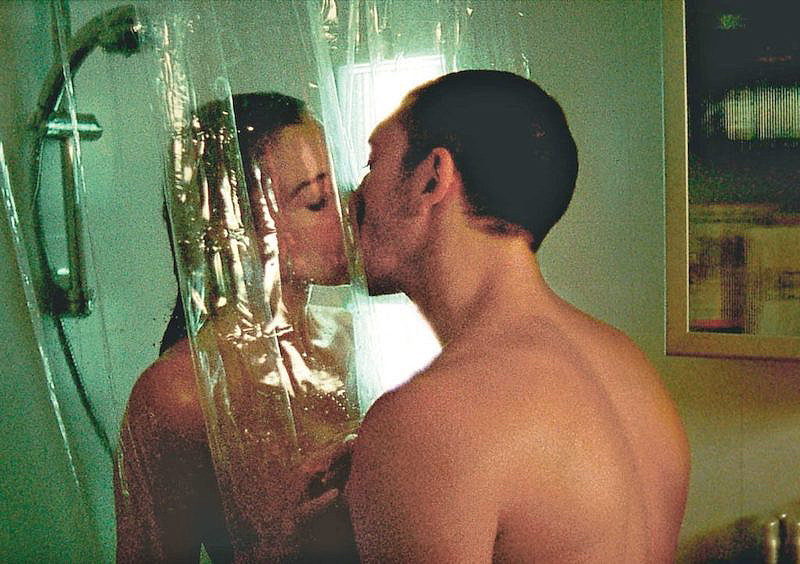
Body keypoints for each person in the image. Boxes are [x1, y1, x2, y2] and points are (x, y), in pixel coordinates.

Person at [345, 70, 690, 562]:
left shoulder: (431, 422)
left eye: (372, 164)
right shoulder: (627, 366)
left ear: (432, 178)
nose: (353, 197)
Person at [114, 92, 357, 563]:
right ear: (237, 233)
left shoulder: (348, 340)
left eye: (341, 188)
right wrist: (279, 549)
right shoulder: (179, 395)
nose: (348, 212)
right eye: (317, 201)